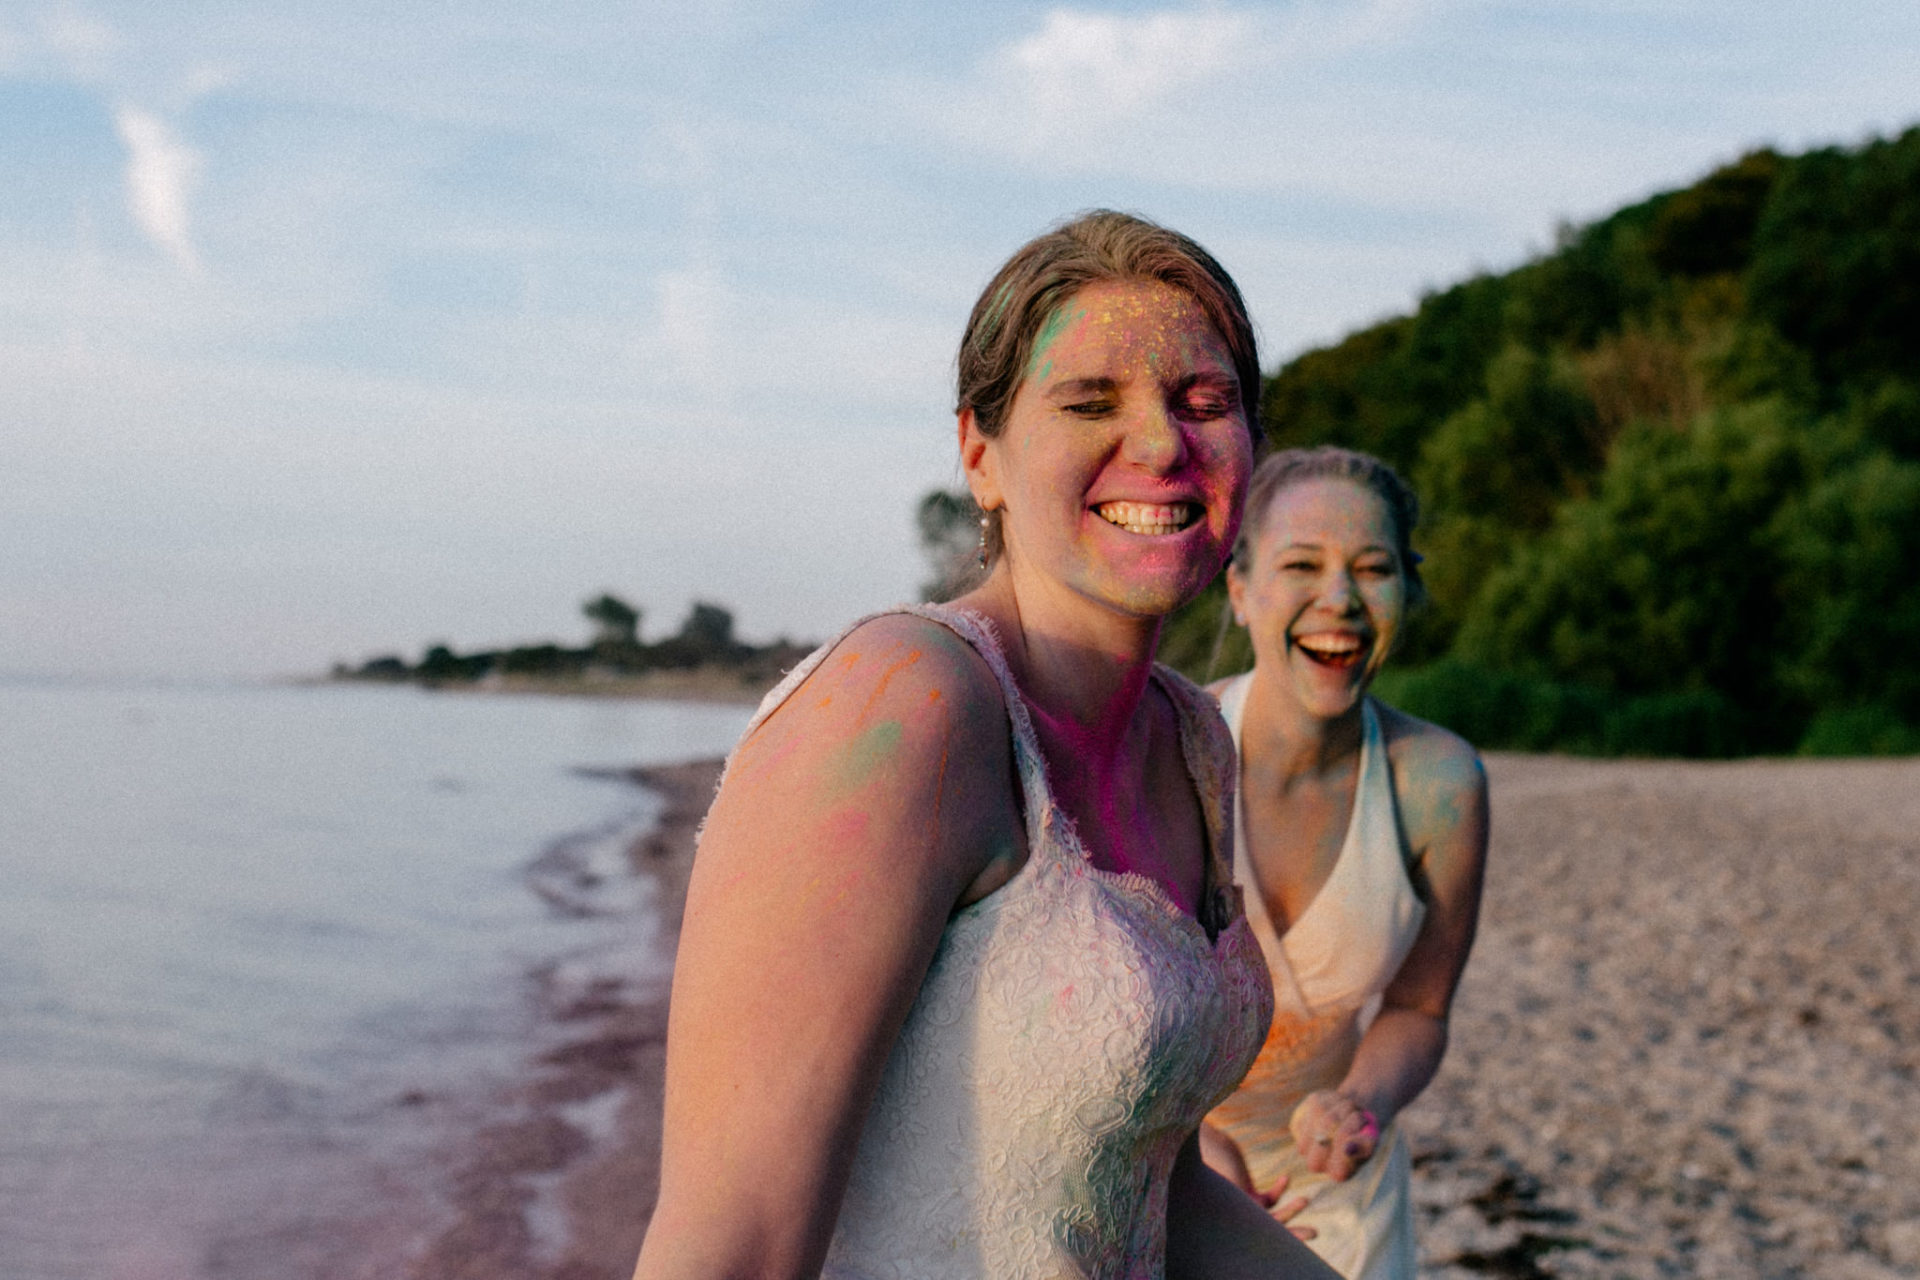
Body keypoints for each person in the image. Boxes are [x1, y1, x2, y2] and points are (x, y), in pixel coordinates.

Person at [631, 212, 1335, 1280]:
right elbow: (733, 1240)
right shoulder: (903, 707)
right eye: (1090, 401)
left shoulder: (1191, 740)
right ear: (981, 454)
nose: (1159, 443)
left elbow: (1151, 1185)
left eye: (1205, 401)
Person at [1199, 447, 1490, 1280]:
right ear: (1240, 589)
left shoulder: (1441, 784)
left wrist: (1364, 1102)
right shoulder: (1169, 749)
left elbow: (1420, 1008)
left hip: (1342, 1195)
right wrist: (1190, 1139)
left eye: (1373, 568)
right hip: (1171, 1172)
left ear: (1407, 590)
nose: (1341, 599)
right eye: (1302, 565)